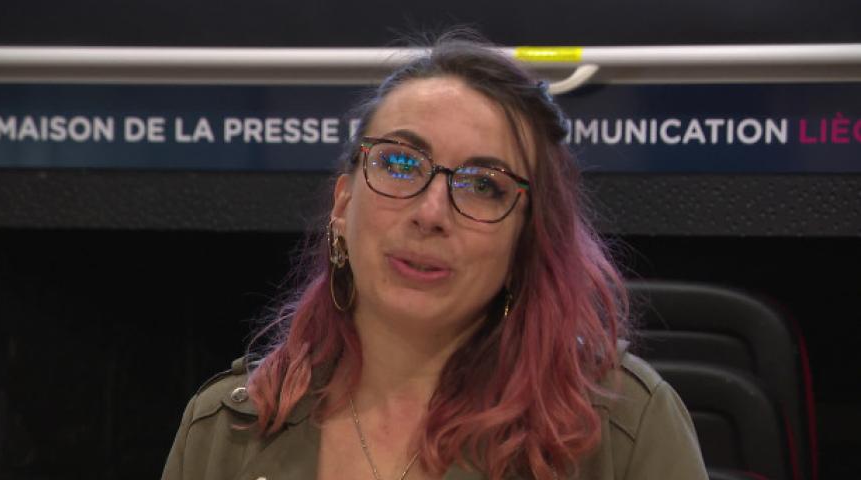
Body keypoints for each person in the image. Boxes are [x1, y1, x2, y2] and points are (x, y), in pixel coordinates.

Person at [161, 33, 708, 480]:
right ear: (342, 205)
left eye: (483, 185)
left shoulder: (621, 426)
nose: (431, 212)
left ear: (527, 240)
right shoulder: (225, 431)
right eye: (400, 164)